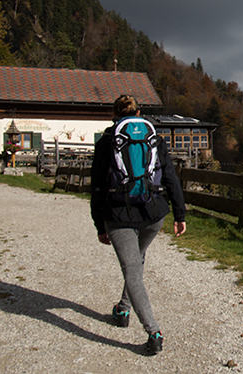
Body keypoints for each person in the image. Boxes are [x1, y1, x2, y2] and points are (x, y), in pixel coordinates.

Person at [90, 94, 187, 355]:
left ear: (115, 114)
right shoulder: (154, 138)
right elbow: (169, 177)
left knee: (132, 269)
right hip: (154, 213)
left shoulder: (107, 141)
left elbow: (97, 186)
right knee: (137, 260)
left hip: (119, 214)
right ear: (139, 112)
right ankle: (123, 309)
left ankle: (153, 331)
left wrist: (99, 224)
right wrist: (180, 215)